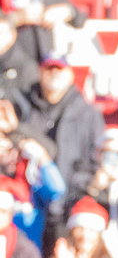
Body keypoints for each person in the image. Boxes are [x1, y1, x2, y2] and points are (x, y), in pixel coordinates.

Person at [17, 55, 102, 202]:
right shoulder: (23, 106)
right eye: (49, 69)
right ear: (40, 72)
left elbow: (96, 157)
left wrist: (81, 187)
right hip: (30, 200)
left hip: (70, 200)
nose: (54, 73)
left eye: (60, 69)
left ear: (71, 75)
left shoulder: (87, 113)